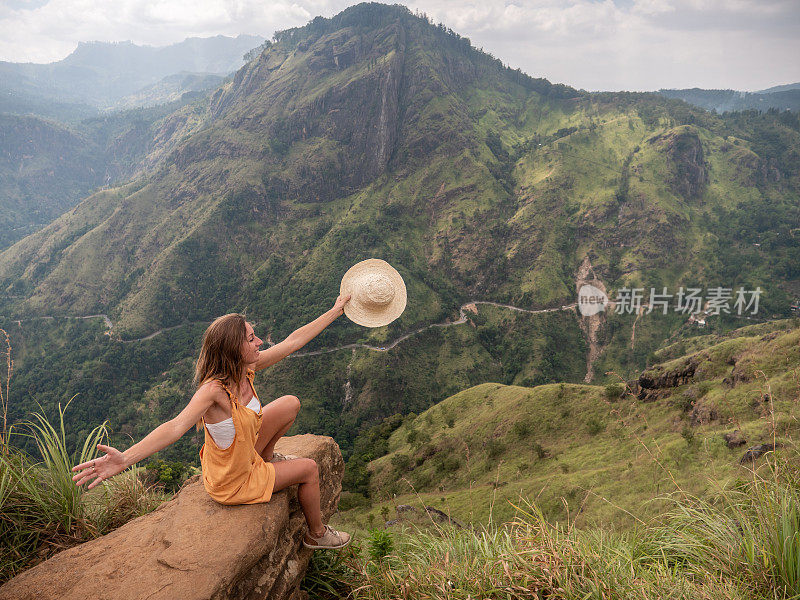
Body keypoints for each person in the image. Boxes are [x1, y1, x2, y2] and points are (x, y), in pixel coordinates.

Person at [72, 294, 353, 550]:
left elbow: (292, 342)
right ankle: (316, 535)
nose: (260, 343)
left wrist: (335, 311)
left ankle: (267, 459)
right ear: (234, 348)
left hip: (246, 456)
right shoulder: (213, 391)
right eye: (252, 338)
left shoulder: (247, 369)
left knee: (290, 403)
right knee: (309, 469)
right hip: (234, 479)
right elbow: (175, 426)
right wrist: (125, 460)